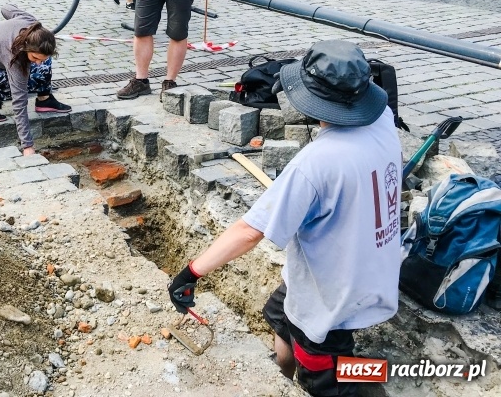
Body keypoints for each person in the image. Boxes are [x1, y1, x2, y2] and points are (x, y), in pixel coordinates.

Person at [168, 40, 402, 397]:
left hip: (334, 294)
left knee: (330, 376)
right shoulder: (383, 119)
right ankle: (283, 376)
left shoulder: (318, 162)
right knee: (279, 315)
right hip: (368, 269)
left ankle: (372, 383)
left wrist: (191, 272)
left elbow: (249, 231)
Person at [0, 5, 72, 156]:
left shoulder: (31, 24)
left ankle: (44, 100)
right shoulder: (14, 58)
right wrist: (27, 145)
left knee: (43, 64)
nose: (38, 61)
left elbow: (5, 8)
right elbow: (19, 101)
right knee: (31, 75)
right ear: (26, 47)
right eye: (35, 57)